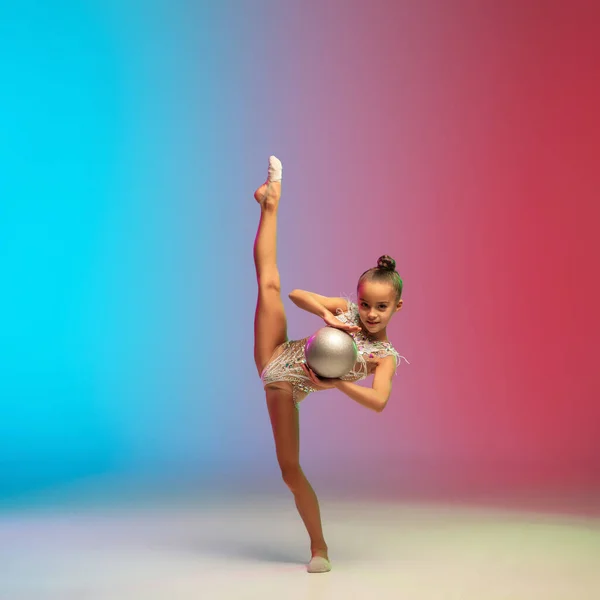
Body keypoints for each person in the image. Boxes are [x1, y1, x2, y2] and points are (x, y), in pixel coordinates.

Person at [252, 156, 406, 573]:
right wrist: (327, 313)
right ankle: (270, 201)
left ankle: (319, 548)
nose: (371, 314)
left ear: (396, 307)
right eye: (365, 304)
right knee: (270, 283)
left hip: (285, 388)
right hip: (277, 353)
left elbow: (378, 403)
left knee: (289, 471)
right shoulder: (348, 314)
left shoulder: (385, 358)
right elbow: (298, 295)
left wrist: (338, 384)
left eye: (381, 307)